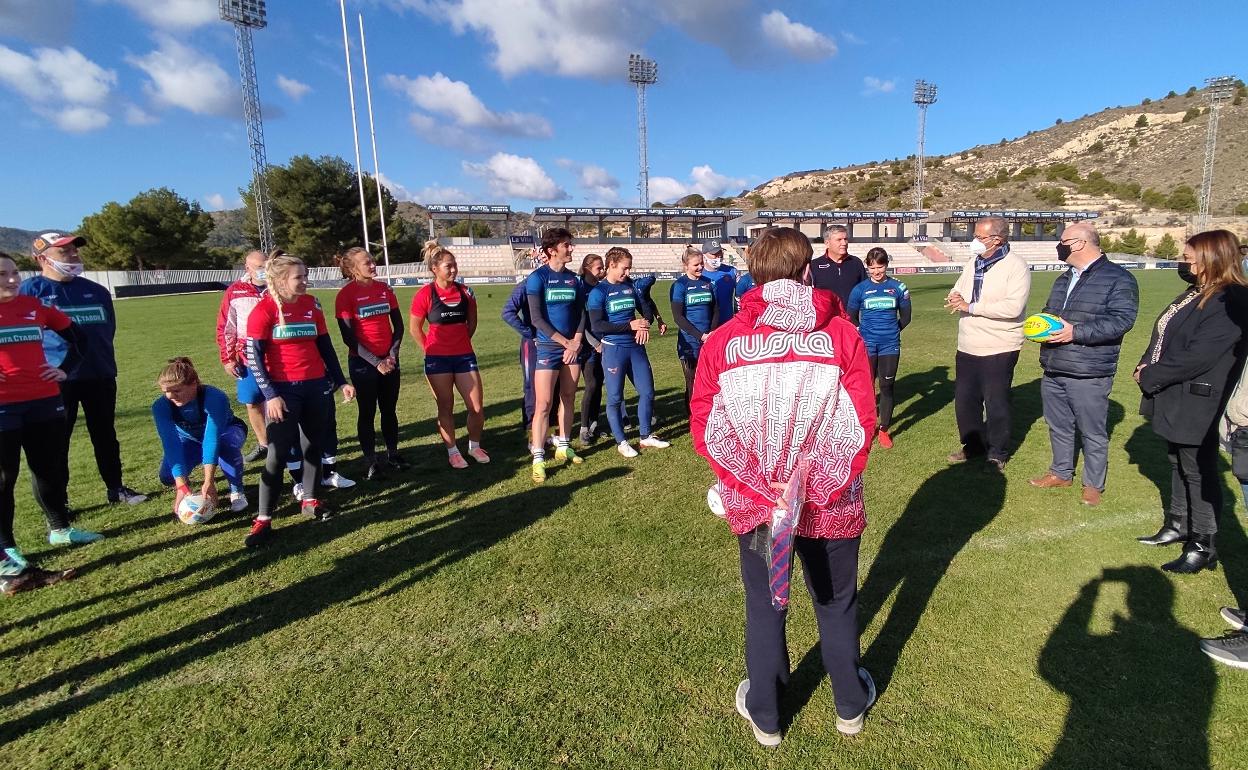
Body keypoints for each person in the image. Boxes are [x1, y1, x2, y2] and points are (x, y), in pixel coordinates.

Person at [690, 227, 877, 747]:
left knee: (765, 604)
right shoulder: (842, 336)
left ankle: (768, 714)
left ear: (754, 273)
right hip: (828, 499)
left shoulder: (726, 341)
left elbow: (708, 427)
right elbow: (861, 422)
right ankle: (848, 705)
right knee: (835, 602)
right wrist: (817, 480)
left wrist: (758, 484)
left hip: (763, 503)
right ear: (806, 270)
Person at [1134, 229, 1247, 573]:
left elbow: (1199, 355)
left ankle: (1203, 543)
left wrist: (1152, 375)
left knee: (1198, 470)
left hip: (1201, 397)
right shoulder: (1196, 292)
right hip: (1177, 392)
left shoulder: (1233, 298)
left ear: (1211, 258)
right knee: (1177, 462)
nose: (1183, 263)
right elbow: (1163, 335)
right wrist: (1145, 363)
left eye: (1188, 258)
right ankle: (1178, 524)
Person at [20, 232, 146, 505]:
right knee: (55, 442)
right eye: (64, 252)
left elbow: (106, 330)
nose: (74, 255)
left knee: (105, 435)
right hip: (54, 380)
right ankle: (59, 501)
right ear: (42, 258)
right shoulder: (30, 291)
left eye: (75, 250)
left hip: (99, 374)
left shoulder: (97, 291)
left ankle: (116, 488)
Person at [0, 254, 98, 595]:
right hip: (2, 407)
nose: (11, 280)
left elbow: (79, 339)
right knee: (4, 476)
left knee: (48, 468)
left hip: (43, 400)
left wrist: (63, 369)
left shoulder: (34, 305)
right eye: (2, 275)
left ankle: (60, 528)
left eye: (14, 273)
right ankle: (7, 549)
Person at [244, 254, 356, 547]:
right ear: (281, 281)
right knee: (277, 454)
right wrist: (271, 395)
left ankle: (310, 500)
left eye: (306, 275)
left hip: (316, 387)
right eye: (299, 277)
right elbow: (253, 358)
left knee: (312, 447)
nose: (305, 281)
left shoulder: (312, 305)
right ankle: (263, 519)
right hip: (283, 392)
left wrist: (341, 381)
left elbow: (325, 346)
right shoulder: (264, 310)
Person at [1027, 224, 1139, 506]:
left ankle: (1093, 485)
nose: (1059, 246)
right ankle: (1061, 473)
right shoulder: (1064, 279)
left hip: (1089, 370)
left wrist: (1075, 332)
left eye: (1062, 241)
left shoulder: (1119, 278)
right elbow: (1051, 313)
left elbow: (1121, 321)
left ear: (1079, 243)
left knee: (1093, 431)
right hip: (1054, 365)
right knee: (1058, 425)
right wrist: (1039, 329)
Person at [944, 216, 1031, 471]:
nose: (975, 242)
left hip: (1000, 345)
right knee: (965, 401)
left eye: (980, 237)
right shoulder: (974, 262)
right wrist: (955, 295)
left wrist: (971, 306)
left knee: (996, 401)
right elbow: (958, 289)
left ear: (997, 239)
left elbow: (1013, 307)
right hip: (968, 343)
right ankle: (972, 446)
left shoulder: (1016, 266)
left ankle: (997, 452)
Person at [409, 243, 490, 469]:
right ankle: (453, 451)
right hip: (437, 360)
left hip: (464, 356)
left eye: (455, 265)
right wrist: (430, 348)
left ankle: (474, 446)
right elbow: (414, 328)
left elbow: (472, 322)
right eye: (448, 266)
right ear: (435, 268)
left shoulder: (466, 292)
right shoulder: (425, 294)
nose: (453, 270)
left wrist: (461, 342)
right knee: (445, 406)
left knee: (476, 407)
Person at [586, 247, 670, 457]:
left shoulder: (630, 286)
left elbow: (646, 309)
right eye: (624, 268)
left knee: (648, 392)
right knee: (615, 397)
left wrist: (645, 324)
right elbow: (597, 325)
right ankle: (621, 441)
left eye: (629, 269)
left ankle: (645, 436)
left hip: (635, 347)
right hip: (614, 349)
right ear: (611, 265)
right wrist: (630, 326)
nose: (627, 273)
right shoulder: (599, 292)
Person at [334, 247, 407, 481]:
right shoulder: (345, 295)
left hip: (389, 361)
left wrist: (392, 356)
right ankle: (371, 461)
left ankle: (393, 455)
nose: (373, 265)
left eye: (372, 261)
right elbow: (348, 337)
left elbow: (398, 326)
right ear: (353, 268)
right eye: (367, 263)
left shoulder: (385, 289)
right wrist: (376, 362)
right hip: (363, 364)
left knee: (389, 410)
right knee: (367, 412)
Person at [524, 228, 585, 482]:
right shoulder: (537, 278)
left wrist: (577, 341)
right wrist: (564, 342)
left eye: (570, 245)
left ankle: (564, 446)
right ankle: (538, 457)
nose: (571, 249)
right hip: (548, 348)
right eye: (566, 245)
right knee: (543, 404)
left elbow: (581, 314)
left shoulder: (575, 280)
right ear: (552, 251)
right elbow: (537, 318)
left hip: (573, 347)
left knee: (568, 397)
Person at [152, 357, 248, 517]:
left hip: (227, 432)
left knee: (225, 446)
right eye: (165, 392)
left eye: (176, 390)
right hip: (190, 441)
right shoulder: (160, 407)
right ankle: (190, 492)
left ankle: (236, 490)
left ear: (194, 384)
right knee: (168, 476)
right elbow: (171, 444)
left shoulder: (214, 398)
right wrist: (181, 485)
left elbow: (212, 438)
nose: (170, 396)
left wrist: (209, 480)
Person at [847, 247, 912, 449]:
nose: (876, 271)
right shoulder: (860, 290)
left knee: (886, 387)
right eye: (872, 267)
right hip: (867, 345)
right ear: (867, 267)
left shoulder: (899, 288)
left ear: (886, 265)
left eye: (880, 266)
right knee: (866, 388)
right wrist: (863, 331)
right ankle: (866, 430)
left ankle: (883, 429)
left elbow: (906, 317)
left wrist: (892, 332)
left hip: (890, 346)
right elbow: (851, 315)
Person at [216, 250, 271, 462]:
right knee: (253, 402)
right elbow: (226, 326)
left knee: (281, 400)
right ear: (247, 268)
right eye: (259, 267)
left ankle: (287, 443)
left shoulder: (278, 287)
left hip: (278, 356)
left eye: (267, 266)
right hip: (247, 357)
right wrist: (228, 358)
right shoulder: (235, 291)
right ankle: (264, 443)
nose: (264, 271)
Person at [502, 248, 549, 440]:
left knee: (551, 388)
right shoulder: (527, 284)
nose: (546, 262)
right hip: (534, 345)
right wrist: (530, 333)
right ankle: (532, 431)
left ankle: (549, 430)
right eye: (543, 259)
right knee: (532, 388)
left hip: (556, 344)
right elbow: (508, 312)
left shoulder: (558, 283)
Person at [670, 245, 719, 417]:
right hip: (689, 342)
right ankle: (694, 417)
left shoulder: (708, 283)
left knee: (708, 380)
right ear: (686, 266)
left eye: (701, 264)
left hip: (709, 340)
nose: (699, 268)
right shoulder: (680, 286)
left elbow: (715, 310)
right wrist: (700, 335)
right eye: (695, 265)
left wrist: (712, 333)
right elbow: (678, 317)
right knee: (692, 381)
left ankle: (707, 414)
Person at [575, 254, 607, 444]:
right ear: (587, 268)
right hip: (587, 345)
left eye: (603, 267)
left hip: (601, 344)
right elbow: (582, 321)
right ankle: (583, 427)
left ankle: (595, 424)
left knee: (598, 385)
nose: (602, 271)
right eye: (598, 268)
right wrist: (594, 343)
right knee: (591, 384)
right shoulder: (580, 288)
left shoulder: (600, 288)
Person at [810, 225, 867, 309]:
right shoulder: (815, 265)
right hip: (828, 318)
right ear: (827, 243)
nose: (844, 243)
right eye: (839, 240)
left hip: (852, 318)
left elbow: (865, 289)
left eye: (845, 239)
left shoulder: (856, 262)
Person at [700, 240, 740, 323]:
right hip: (705, 325)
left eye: (720, 253)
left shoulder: (732, 272)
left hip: (727, 324)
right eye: (714, 254)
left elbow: (740, 297)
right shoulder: (698, 274)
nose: (718, 256)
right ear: (704, 255)